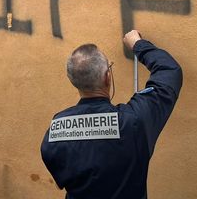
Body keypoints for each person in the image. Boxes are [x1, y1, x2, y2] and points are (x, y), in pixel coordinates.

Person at [40, 30, 183, 199]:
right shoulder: (134, 121)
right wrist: (138, 45)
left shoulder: (55, 131)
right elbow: (169, 71)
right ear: (107, 77)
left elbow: (60, 181)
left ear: (74, 81)